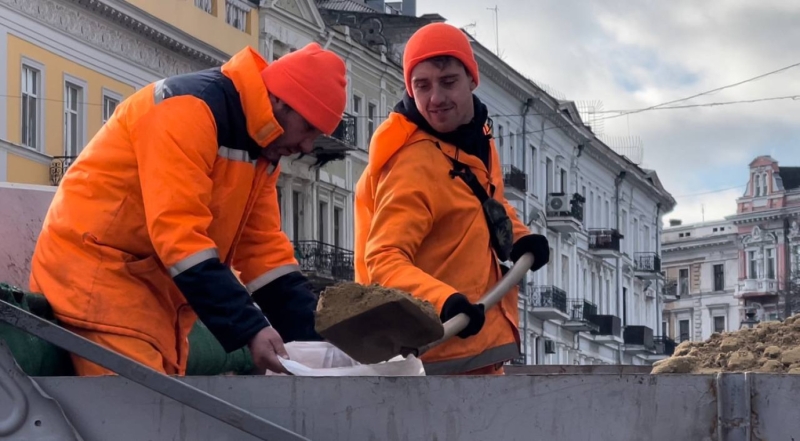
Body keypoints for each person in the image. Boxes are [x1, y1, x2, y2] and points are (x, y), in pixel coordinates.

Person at [29, 43, 347, 376]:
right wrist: (251, 329)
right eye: (309, 127)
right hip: (96, 282)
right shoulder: (189, 110)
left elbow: (263, 251)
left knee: (156, 418)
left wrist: (324, 338)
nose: (308, 146)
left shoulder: (261, 149)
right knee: (145, 417)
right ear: (280, 100)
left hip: (143, 296)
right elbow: (179, 236)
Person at [353, 23, 550, 375]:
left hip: (478, 351)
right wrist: (444, 302)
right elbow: (383, 260)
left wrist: (521, 237)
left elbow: (483, 203)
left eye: (448, 81)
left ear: (472, 80)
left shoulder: (477, 140)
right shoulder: (412, 163)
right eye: (422, 85)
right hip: (431, 364)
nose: (435, 99)